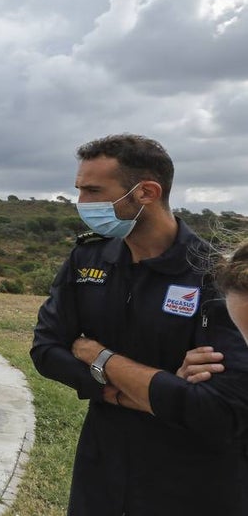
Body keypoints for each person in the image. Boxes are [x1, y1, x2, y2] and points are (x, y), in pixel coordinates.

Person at [31, 134, 248, 515]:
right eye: (79, 190)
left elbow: (216, 409)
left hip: (193, 482)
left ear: (146, 191)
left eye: (94, 191)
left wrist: (96, 354)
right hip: (102, 472)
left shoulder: (216, 274)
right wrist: (142, 390)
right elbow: (46, 350)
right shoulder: (88, 257)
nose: (82, 204)